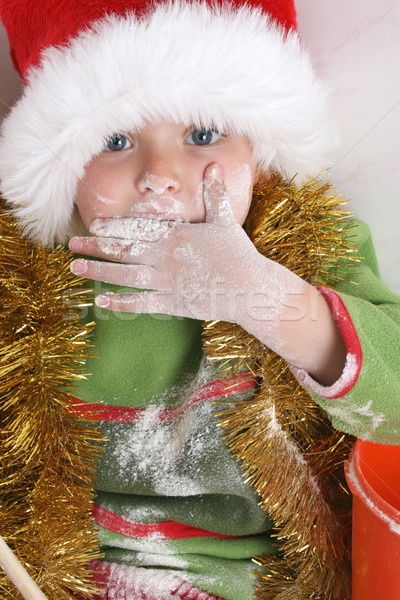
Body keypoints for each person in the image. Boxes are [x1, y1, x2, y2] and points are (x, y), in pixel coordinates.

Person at [0, 1, 399, 599]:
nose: (159, 174)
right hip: (61, 571)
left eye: (202, 134)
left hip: (265, 578)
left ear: (260, 158)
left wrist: (265, 298)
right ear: (61, 168)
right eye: (115, 140)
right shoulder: (27, 273)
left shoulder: (307, 242)